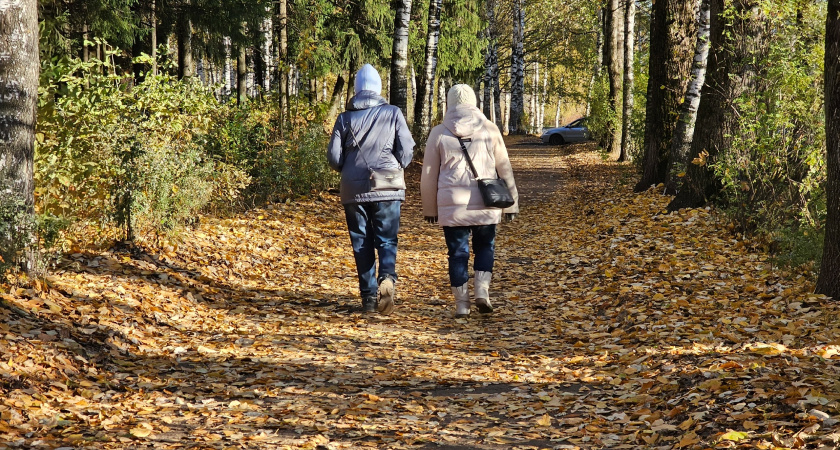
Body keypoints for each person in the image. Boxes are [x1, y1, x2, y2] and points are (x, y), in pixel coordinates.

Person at [420, 84, 519, 317]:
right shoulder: (490, 129)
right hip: (487, 202)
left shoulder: (439, 132)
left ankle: (462, 305)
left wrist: (430, 209)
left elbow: (428, 174)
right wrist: (512, 203)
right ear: (474, 102)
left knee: (457, 254)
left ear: (449, 102)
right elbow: (504, 169)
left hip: (453, 205)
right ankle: (482, 292)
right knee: (485, 247)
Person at [327, 64, 415, 315]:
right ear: (378, 89)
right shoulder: (393, 113)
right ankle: (387, 279)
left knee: (361, 242)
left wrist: (348, 170)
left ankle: (367, 298)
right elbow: (407, 149)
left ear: (356, 90)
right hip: (387, 187)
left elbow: (334, 157)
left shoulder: (344, 118)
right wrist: (397, 165)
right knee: (386, 238)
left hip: (353, 191)